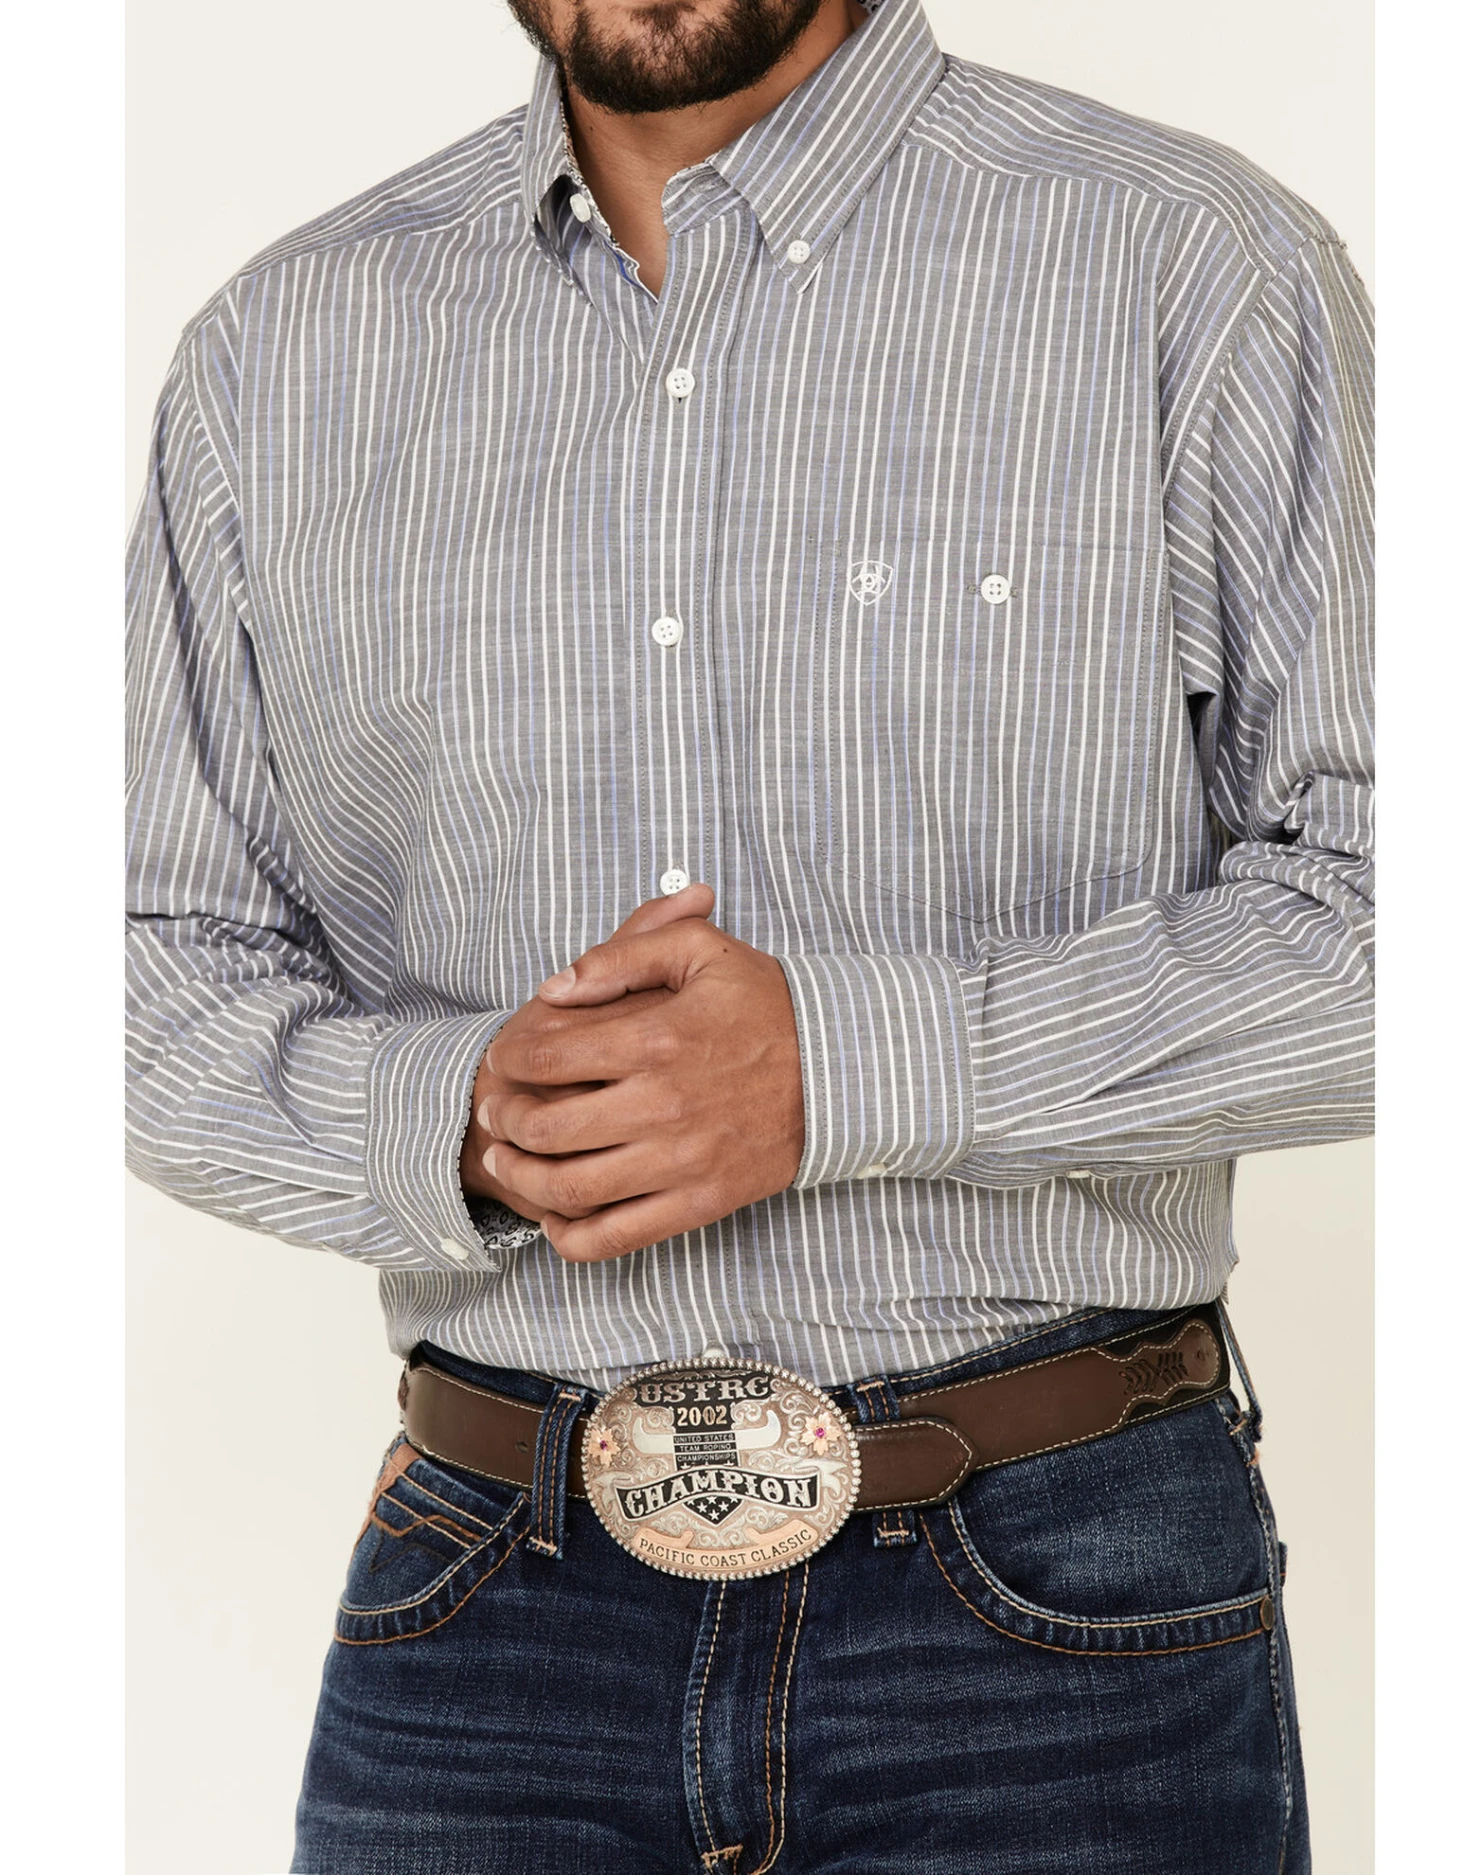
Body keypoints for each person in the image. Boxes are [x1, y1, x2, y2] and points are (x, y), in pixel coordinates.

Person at [124, 0, 1372, 1867]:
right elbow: (142, 963)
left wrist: (843, 1068)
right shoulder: (277, 352)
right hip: (491, 1610)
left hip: (1056, 1613)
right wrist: (467, 1120)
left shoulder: (1191, 264)